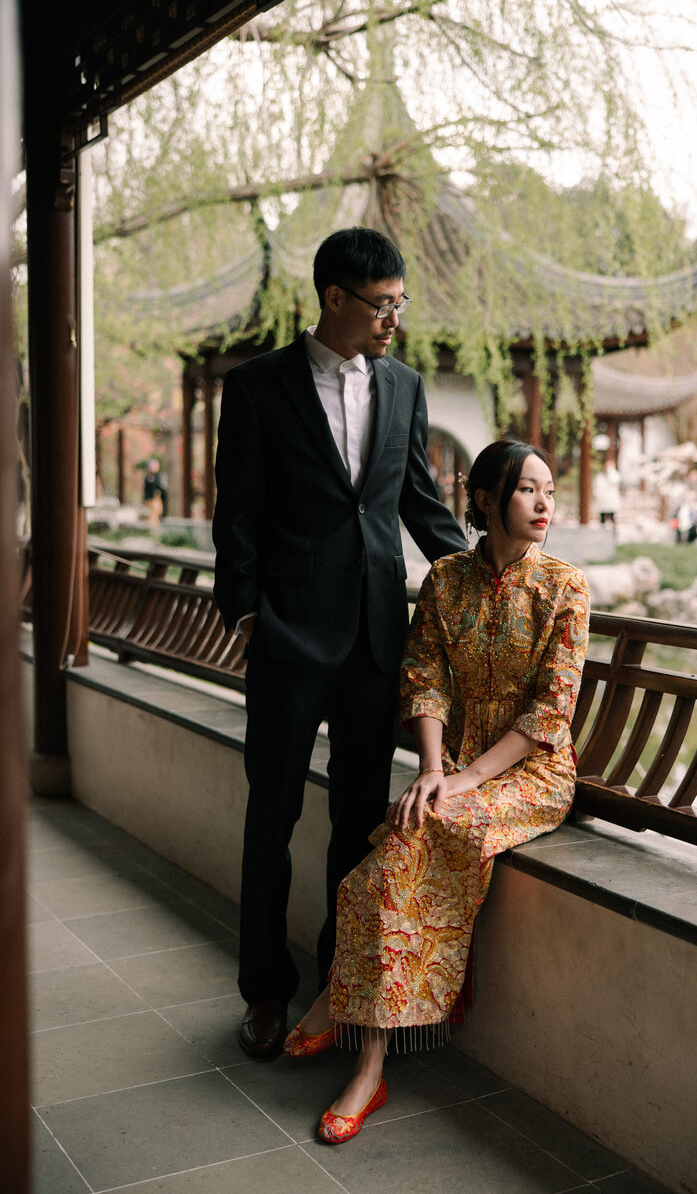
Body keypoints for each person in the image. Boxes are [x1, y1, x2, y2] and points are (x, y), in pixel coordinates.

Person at [284, 439, 590, 1144]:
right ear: (484, 501)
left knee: (423, 833)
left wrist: (461, 780)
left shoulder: (564, 586)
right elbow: (423, 678)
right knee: (388, 860)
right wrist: (430, 768)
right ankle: (363, 1041)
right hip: (453, 767)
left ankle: (360, 1048)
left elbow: (551, 712)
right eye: (527, 490)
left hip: (533, 773)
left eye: (549, 490)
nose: (545, 504)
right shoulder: (445, 579)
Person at [212, 227, 466, 1062]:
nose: (395, 317)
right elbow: (238, 513)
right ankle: (263, 993)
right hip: (287, 640)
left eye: (400, 302)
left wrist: (495, 573)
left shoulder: (404, 387)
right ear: (333, 299)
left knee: (360, 826)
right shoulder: (256, 389)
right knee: (271, 820)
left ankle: (335, 985)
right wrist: (247, 616)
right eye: (383, 303)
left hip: (373, 643)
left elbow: (420, 506)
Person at [593, 456, 621, 526]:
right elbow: (597, 486)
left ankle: (613, 532)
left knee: (612, 516)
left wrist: (610, 471)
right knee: (602, 517)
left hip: (611, 500)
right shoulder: (600, 476)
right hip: (602, 500)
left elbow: (613, 480)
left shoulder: (615, 475)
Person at [142, 457, 168, 525]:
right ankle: (154, 529)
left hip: (158, 499)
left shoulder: (158, 476)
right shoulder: (149, 477)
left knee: (158, 513)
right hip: (152, 499)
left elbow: (161, 488)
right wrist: (146, 498)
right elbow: (148, 489)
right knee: (153, 515)